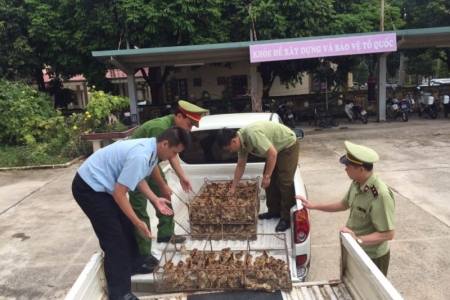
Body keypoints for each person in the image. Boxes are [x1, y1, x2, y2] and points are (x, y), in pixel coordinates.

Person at [71, 127, 191, 300]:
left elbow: (137, 177)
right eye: (173, 153)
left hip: (106, 186)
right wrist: (137, 221)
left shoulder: (151, 151)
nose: (173, 157)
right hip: (89, 188)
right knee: (114, 240)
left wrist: (154, 199)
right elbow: (119, 194)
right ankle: (120, 294)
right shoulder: (141, 155)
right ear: (165, 144)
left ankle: (134, 264)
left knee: (127, 229)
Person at [296, 141, 395, 276]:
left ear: (360, 170)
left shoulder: (380, 195)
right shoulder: (357, 184)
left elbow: (388, 234)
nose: (345, 169)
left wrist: (358, 239)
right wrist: (313, 206)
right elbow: (343, 204)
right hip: (354, 248)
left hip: (372, 256)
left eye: (348, 166)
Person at [129, 100, 209, 254]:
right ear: (179, 116)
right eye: (189, 124)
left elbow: (172, 155)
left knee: (165, 196)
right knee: (139, 208)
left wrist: (182, 176)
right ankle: (143, 252)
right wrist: (161, 184)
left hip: (150, 166)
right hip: (136, 169)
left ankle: (166, 234)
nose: (190, 129)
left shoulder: (174, 130)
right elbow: (151, 161)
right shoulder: (159, 128)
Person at [217, 121, 300, 232]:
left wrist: (267, 176)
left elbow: (273, 154)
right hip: (275, 149)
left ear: (234, 141)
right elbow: (240, 165)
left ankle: (286, 218)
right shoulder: (241, 144)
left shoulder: (252, 134)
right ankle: (274, 210)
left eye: (229, 149)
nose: (231, 152)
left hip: (287, 145)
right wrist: (233, 187)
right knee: (269, 181)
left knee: (284, 181)